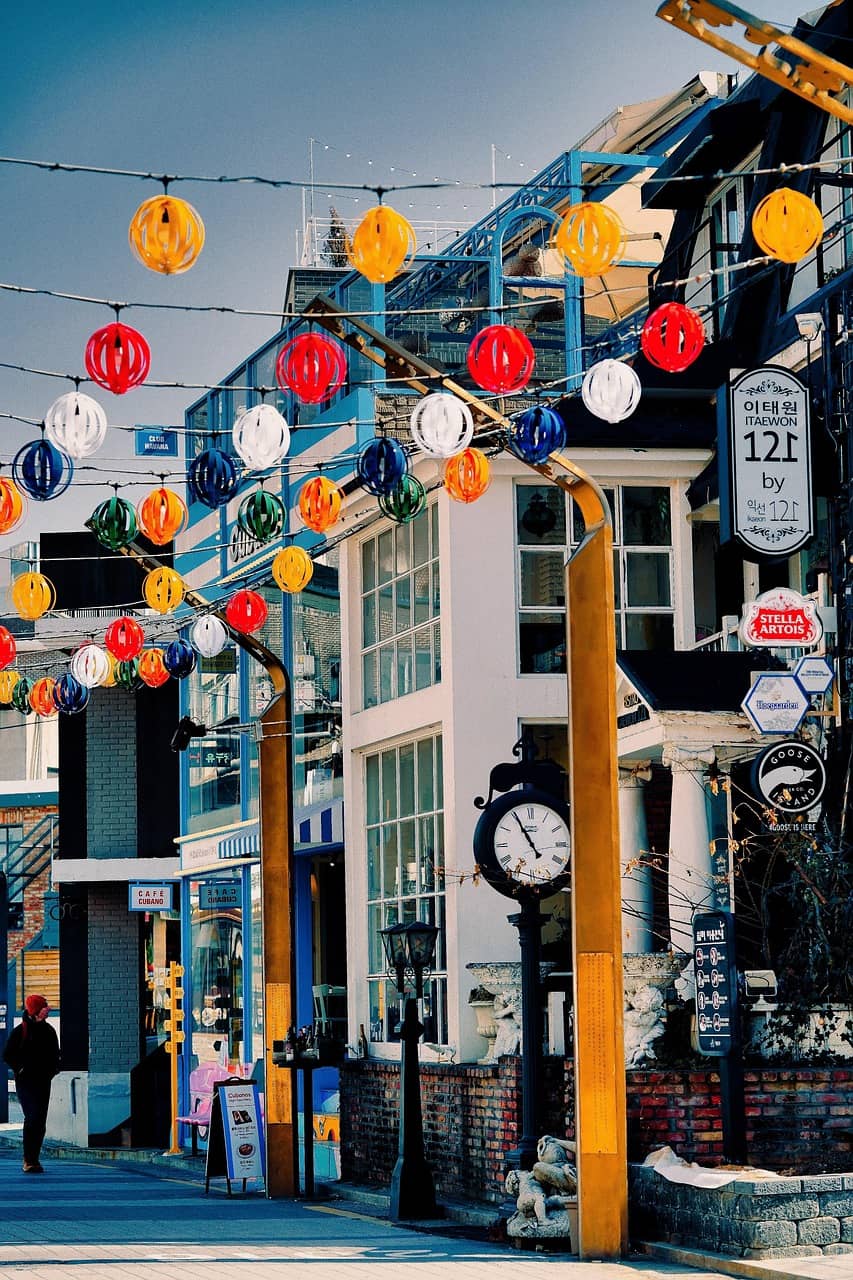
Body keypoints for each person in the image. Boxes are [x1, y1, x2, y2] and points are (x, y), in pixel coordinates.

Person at [3, 994, 60, 1173]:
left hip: (44, 1081)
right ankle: (28, 1159)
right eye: (44, 1007)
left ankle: (34, 1159)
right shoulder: (20, 1031)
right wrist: (20, 1069)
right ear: (35, 1010)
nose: (47, 1009)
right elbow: (7, 1054)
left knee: (40, 1121)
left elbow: (55, 1054)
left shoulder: (49, 1031)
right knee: (32, 1117)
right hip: (26, 1082)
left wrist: (53, 1070)